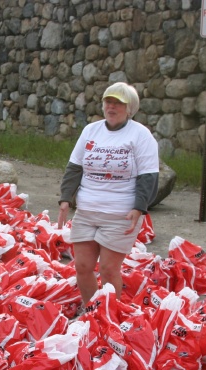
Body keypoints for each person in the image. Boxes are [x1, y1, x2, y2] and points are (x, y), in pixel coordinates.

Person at [57, 82, 159, 305]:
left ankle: (110, 314)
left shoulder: (141, 135)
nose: (111, 107)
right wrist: (65, 199)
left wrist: (139, 207)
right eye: (108, 102)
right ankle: (91, 310)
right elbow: (74, 167)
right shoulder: (91, 131)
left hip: (119, 213)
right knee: (82, 266)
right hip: (87, 210)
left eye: (118, 103)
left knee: (108, 269)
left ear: (129, 108)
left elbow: (149, 175)